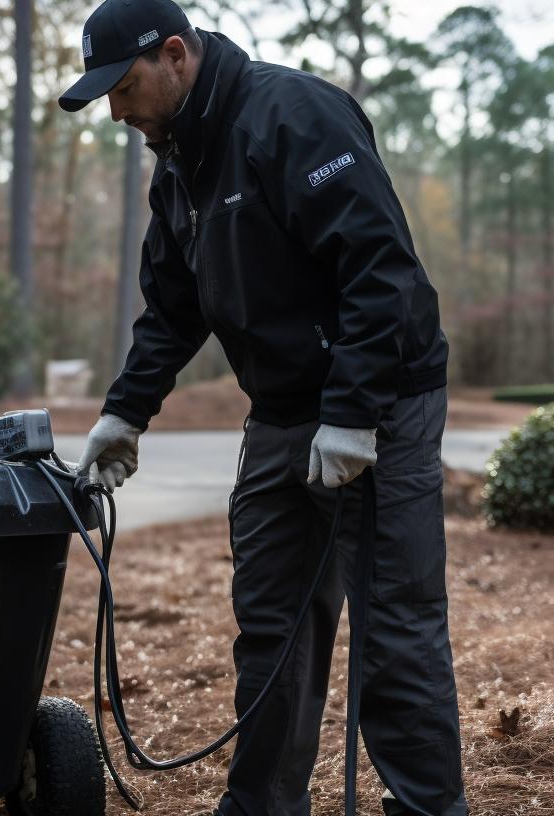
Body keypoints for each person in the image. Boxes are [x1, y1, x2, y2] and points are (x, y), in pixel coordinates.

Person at [60, 1, 466, 814]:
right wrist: (124, 414)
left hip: (381, 400)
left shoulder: (293, 115)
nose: (116, 110)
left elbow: (379, 269)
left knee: (394, 631)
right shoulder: (179, 163)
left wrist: (352, 414)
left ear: (174, 55)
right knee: (272, 629)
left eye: (125, 85)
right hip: (280, 413)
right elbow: (172, 308)